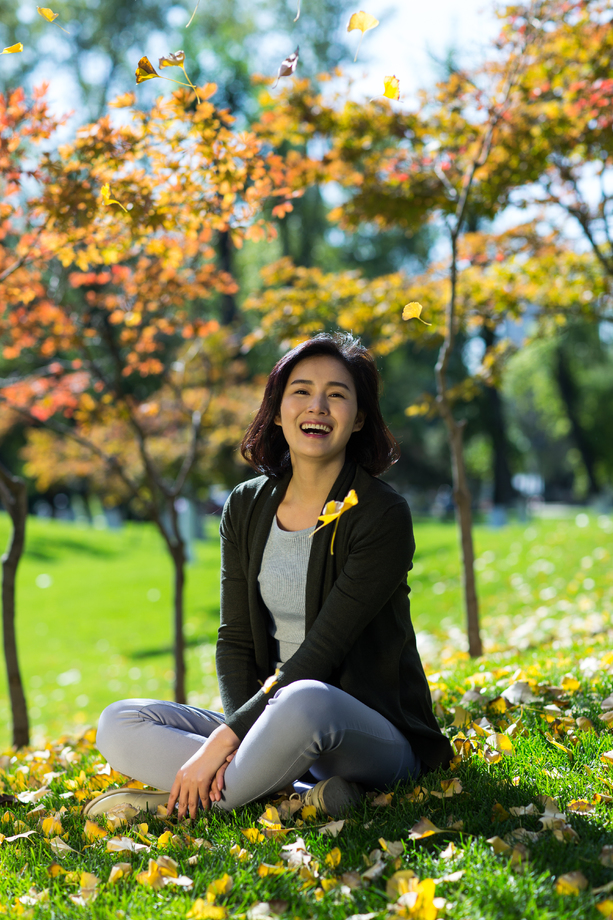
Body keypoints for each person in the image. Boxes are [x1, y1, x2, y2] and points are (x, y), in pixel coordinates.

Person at [88, 333, 452, 821]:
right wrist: (243, 738)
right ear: (277, 412)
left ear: (359, 418)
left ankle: (184, 807)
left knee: (304, 700)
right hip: (267, 727)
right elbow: (235, 639)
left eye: (337, 394)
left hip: (363, 731)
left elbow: (323, 652)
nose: (317, 406)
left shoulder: (381, 514)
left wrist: (227, 738)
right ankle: (294, 794)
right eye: (300, 391)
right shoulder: (245, 505)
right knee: (118, 722)